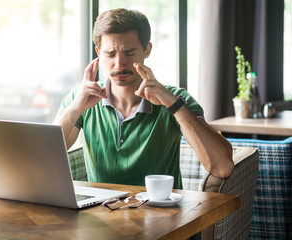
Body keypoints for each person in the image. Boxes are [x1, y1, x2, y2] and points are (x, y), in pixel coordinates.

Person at [55, 8, 234, 188]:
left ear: (147, 50)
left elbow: (223, 167)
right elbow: (43, 158)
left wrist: (174, 106)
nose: (119, 64)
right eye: (110, 54)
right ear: (99, 53)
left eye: (129, 52)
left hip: (162, 214)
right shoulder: (81, 97)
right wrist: (74, 109)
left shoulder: (176, 98)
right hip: (100, 213)